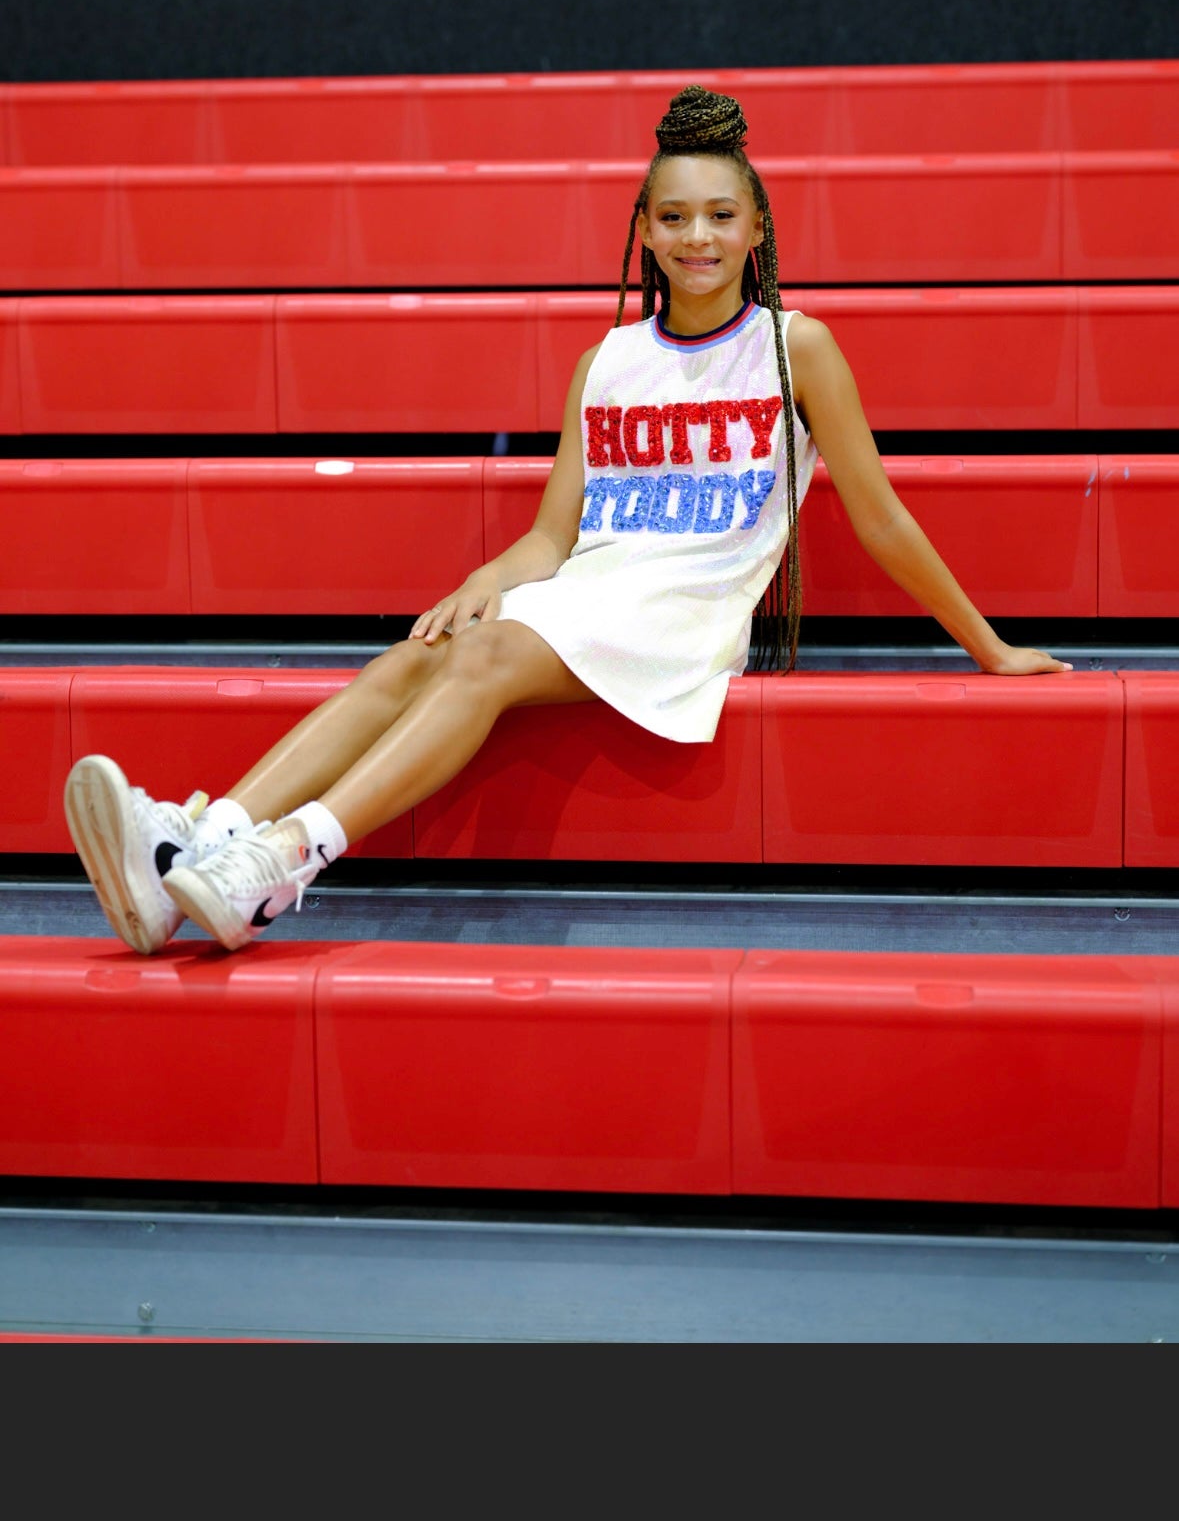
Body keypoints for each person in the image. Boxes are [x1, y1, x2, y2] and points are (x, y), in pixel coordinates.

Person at [64, 85, 1072, 955]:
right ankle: (192, 847)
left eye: (722, 215)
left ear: (758, 228)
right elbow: (556, 533)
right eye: (674, 218)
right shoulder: (607, 361)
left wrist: (990, 649)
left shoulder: (793, 347)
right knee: (419, 657)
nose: (699, 238)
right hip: (592, 588)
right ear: (644, 229)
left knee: (487, 659)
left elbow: (882, 517)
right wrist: (485, 577)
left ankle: (286, 860)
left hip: (684, 606)